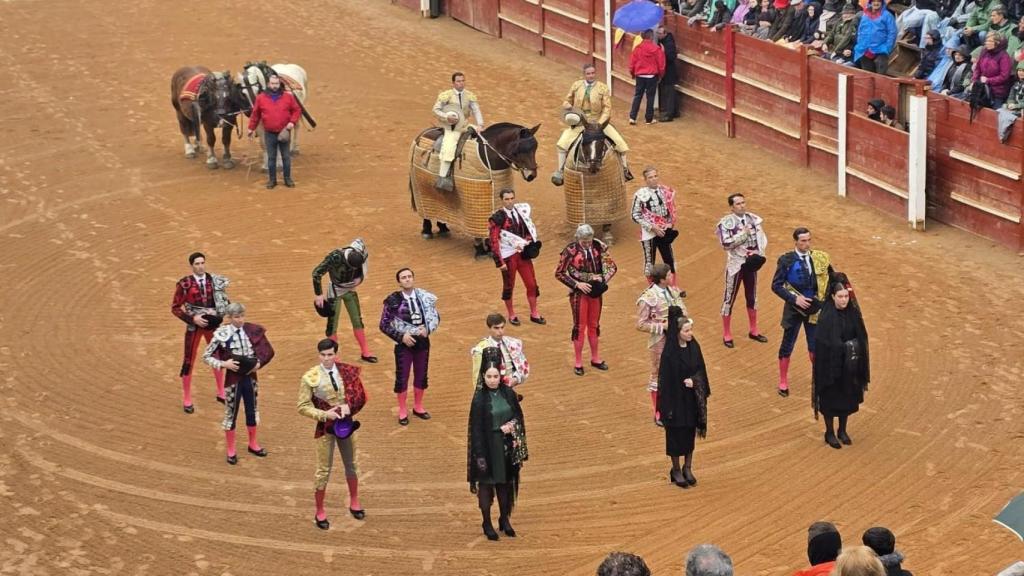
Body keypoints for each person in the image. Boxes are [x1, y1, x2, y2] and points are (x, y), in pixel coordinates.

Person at [297, 338, 368, 530]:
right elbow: (302, 406)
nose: (326, 359)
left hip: (345, 424)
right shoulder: (310, 377)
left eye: (330, 355)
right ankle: (320, 511)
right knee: (323, 470)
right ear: (318, 355)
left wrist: (349, 407)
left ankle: (354, 501)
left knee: (351, 464)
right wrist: (323, 414)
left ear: (335, 354)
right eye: (323, 355)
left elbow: (361, 396)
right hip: (325, 428)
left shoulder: (346, 371)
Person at [202, 302, 275, 465]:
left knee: (252, 410)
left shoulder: (252, 329)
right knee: (230, 413)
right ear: (229, 317)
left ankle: (253, 444)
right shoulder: (222, 333)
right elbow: (206, 356)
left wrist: (258, 364)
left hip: (251, 376)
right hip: (232, 378)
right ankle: (231, 450)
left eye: (242, 316)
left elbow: (268, 351)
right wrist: (224, 364)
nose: (241, 320)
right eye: (237, 317)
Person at [467, 347, 527, 541]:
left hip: (506, 449)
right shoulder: (479, 400)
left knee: (505, 487)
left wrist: (512, 425)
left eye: (495, 376)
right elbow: (475, 430)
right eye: (489, 376)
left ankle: (504, 519)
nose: (492, 380)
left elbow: (518, 416)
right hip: (487, 449)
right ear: (483, 376)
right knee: (486, 489)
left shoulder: (508, 393)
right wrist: (480, 457)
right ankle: (486, 522)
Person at [771, 227, 834, 397]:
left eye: (809, 240)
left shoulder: (819, 258)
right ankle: (783, 381)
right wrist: (794, 299)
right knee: (787, 344)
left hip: (814, 309)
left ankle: (818, 377)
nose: (807, 244)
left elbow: (831, 278)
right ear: (796, 242)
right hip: (793, 309)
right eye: (803, 241)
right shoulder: (786, 260)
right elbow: (776, 285)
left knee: (814, 344)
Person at [554, 63, 634, 184]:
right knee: (562, 144)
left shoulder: (603, 88)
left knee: (620, 143)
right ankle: (560, 171)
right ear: (584, 74)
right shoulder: (576, 85)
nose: (591, 76)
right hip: (581, 122)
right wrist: (567, 105)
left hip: (599, 123)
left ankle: (624, 170)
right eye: (588, 73)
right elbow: (567, 100)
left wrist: (600, 124)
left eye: (593, 73)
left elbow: (607, 108)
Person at [379, 267, 440, 425]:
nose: (407, 279)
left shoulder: (424, 296)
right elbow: (384, 325)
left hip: (422, 341)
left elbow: (435, 316)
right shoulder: (393, 300)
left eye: (409, 276)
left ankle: (418, 406)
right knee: (402, 376)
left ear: (413, 278)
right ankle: (402, 410)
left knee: (421, 374)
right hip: (403, 345)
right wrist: (402, 336)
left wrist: (428, 329)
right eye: (403, 277)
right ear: (399, 282)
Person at [555, 224, 618, 376]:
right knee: (579, 326)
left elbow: (612, 267)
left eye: (589, 240)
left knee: (594, 325)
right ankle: (578, 362)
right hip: (579, 294)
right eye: (584, 241)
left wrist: (602, 280)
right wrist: (577, 284)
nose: (587, 243)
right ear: (578, 238)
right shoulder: (570, 251)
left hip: (595, 293)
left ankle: (595, 358)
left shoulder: (598, 247)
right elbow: (559, 273)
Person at [812, 282, 869, 448]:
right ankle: (829, 432)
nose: (844, 300)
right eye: (840, 297)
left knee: (846, 399)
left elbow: (862, 336)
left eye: (846, 296)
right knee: (830, 401)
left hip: (848, 367)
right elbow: (822, 342)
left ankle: (842, 431)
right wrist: (840, 347)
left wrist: (853, 347)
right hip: (831, 368)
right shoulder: (827, 316)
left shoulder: (853, 314)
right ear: (833, 297)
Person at [658, 306, 710, 489]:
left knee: (689, 434)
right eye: (686, 331)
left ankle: (688, 467)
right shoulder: (669, 354)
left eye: (690, 330)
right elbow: (665, 382)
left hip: (690, 400)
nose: (690, 334)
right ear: (678, 332)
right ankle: (676, 470)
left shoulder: (694, 347)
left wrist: (695, 382)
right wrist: (665, 409)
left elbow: (702, 371)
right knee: (675, 436)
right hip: (675, 402)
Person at [171, 252, 227, 413]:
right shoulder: (184, 284)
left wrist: (220, 315)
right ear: (191, 266)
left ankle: (221, 391)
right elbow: (175, 308)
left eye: (202, 263)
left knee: (217, 355)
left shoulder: (215, 281)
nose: (201, 266)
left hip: (211, 325)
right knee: (189, 360)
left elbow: (223, 301)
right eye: (197, 264)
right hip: (194, 326)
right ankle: (187, 398)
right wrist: (192, 319)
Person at [636, 263, 688, 426]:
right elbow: (641, 324)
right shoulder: (648, 297)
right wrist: (663, 327)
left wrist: (684, 323)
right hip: (659, 341)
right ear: (663, 279)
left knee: (676, 372)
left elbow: (684, 311)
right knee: (658, 375)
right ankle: (658, 411)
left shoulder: (673, 292)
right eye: (669, 275)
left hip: (676, 338)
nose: (672, 276)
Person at [311, 238, 377, 363]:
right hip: (335, 291)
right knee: (332, 324)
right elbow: (316, 273)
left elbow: (364, 263)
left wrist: (361, 277)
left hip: (351, 290)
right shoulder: (335, 257)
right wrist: (319, 294)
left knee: (357, 320)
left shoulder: (359, 251)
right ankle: (333, 355)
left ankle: (365, 352)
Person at [716, 193, 769, 348]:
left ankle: (753, 330)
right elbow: (725, 244)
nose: (742, 206)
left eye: (743, 202)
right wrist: (743, 235)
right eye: (738, 204)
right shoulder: (725, 223)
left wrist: (759, 254)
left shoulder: (754, 219)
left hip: (751, 263)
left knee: (752, 296)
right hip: (736, 264)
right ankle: (727, 333)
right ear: (731, 207)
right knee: (729, 298)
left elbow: (761, 239)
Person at [488, 188, 545, 325]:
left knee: (532, 284)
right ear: (502, 200)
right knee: (509, 286)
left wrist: (528, 242)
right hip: (508, 256)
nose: (510, 201)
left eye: (512, 198)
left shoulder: (520, 211)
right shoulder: (497, 218)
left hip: (522, 254)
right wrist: (499, 262)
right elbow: (493, 240)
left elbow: (527, 230)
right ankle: (511, 314)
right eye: (507, 199)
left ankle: (534, 313)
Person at [432, 71, 484, 192]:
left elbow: (476, 110)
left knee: (482, 139)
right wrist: (446, 117)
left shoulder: (470, 96)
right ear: (453, 83)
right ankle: (442, 178)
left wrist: (480, 125)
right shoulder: (446, 95)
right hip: (451, 127)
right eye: (458, 81)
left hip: (464, 125)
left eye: (463, 81)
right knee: (449, 147)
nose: (461, 83)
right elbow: (436, 110)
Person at [247, 74, 301, 189]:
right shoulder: (261, 98)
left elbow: (296, 110)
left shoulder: (288, 97)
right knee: (271, 158)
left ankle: (287, 179)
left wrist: (292, 122)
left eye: (276, 84)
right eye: (272, 84)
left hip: (284, 132)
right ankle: (272, 180)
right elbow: (255, 115)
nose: (274, 86)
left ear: (279, 84)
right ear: (268, 84)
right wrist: (251, 128)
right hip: (269, 133)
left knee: (286, 157)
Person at [631, 167, 679, 284]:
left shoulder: (665, 191)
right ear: (645, 180)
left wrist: (669, 223)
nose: (653, 179)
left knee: (669, 259)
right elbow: (635, 215)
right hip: (649, 233)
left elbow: (670, 210)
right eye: (650, 177)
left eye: (655, 176)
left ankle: (674, 287)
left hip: (664, 230)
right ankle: (652, 289)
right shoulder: (640, 194)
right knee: (649, 262)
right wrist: (652, 227)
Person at [471, 313, 530, 390]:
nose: (500, 331)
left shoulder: (512, 343)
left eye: (502, 327)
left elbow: (523, 367)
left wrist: (515, 379)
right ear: (489, 329)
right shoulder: (480, 350)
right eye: (496, 328)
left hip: (509, 391)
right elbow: (477, 378)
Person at [629, 30, 666, 125]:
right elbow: (661, 64)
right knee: (650, 97)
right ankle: (648, 119)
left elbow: (632, 63)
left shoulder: (637, 48)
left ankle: (632, 117)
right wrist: (661, 75)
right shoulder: (656, 49)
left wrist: (633, 73)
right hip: (651, 76)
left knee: (638, 95)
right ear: (651, 37)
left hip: (640, 75)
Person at [971, 31, 1014, 108]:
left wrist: (988, 80)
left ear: (997, 42)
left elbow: (1004, 76)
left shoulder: (1004, 57)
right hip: (982, 88)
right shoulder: (984, 52)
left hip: (997, 93)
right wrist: (974, 81)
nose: (987, 43)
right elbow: (977, 68)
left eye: (990, 41)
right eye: (986, 40)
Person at [854, 0, 898, 74]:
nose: (876, 3)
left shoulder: (887, 15)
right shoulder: (865, 15)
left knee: (880, 76)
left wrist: (887, 47)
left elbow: (892, 33)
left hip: (881, 50)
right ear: (870, 2)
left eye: (878, 1)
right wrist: (861, 45)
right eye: (874, 1)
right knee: (867, 75)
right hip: (865, 50)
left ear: (882, 3)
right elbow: (860, 31)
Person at [657, 26, 680, 122]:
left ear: (664, 33)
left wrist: (663, 52)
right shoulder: (665, 41)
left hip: (669, 72)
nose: (658, 35)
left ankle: (669, 114)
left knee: (669, 92)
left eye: (659, 33)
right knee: (669, 92)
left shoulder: (669, 43)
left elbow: (671, 57)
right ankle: (674, 111)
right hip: (667, 71)